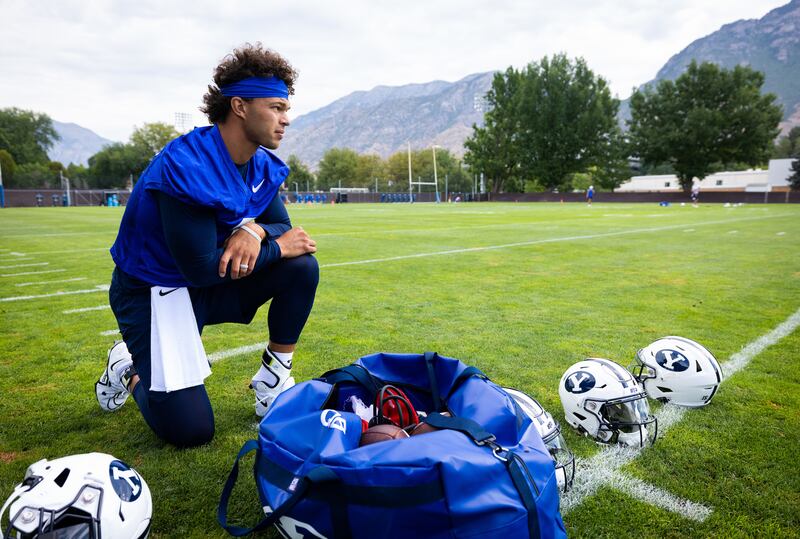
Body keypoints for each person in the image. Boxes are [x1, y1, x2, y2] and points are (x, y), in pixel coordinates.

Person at [94, 43, 319, 448]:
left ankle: (272, 380)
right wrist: (278, 245)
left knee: (302, 267)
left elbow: (280, 223)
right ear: (239, 106)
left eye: (286, 108)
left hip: (209, 283)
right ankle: (128, 367)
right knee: (190, 431)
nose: (286, 119)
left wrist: (254, 232)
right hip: (156, 294)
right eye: (276, 107)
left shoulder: (259, 162)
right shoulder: (188, 164)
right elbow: (199, 267)